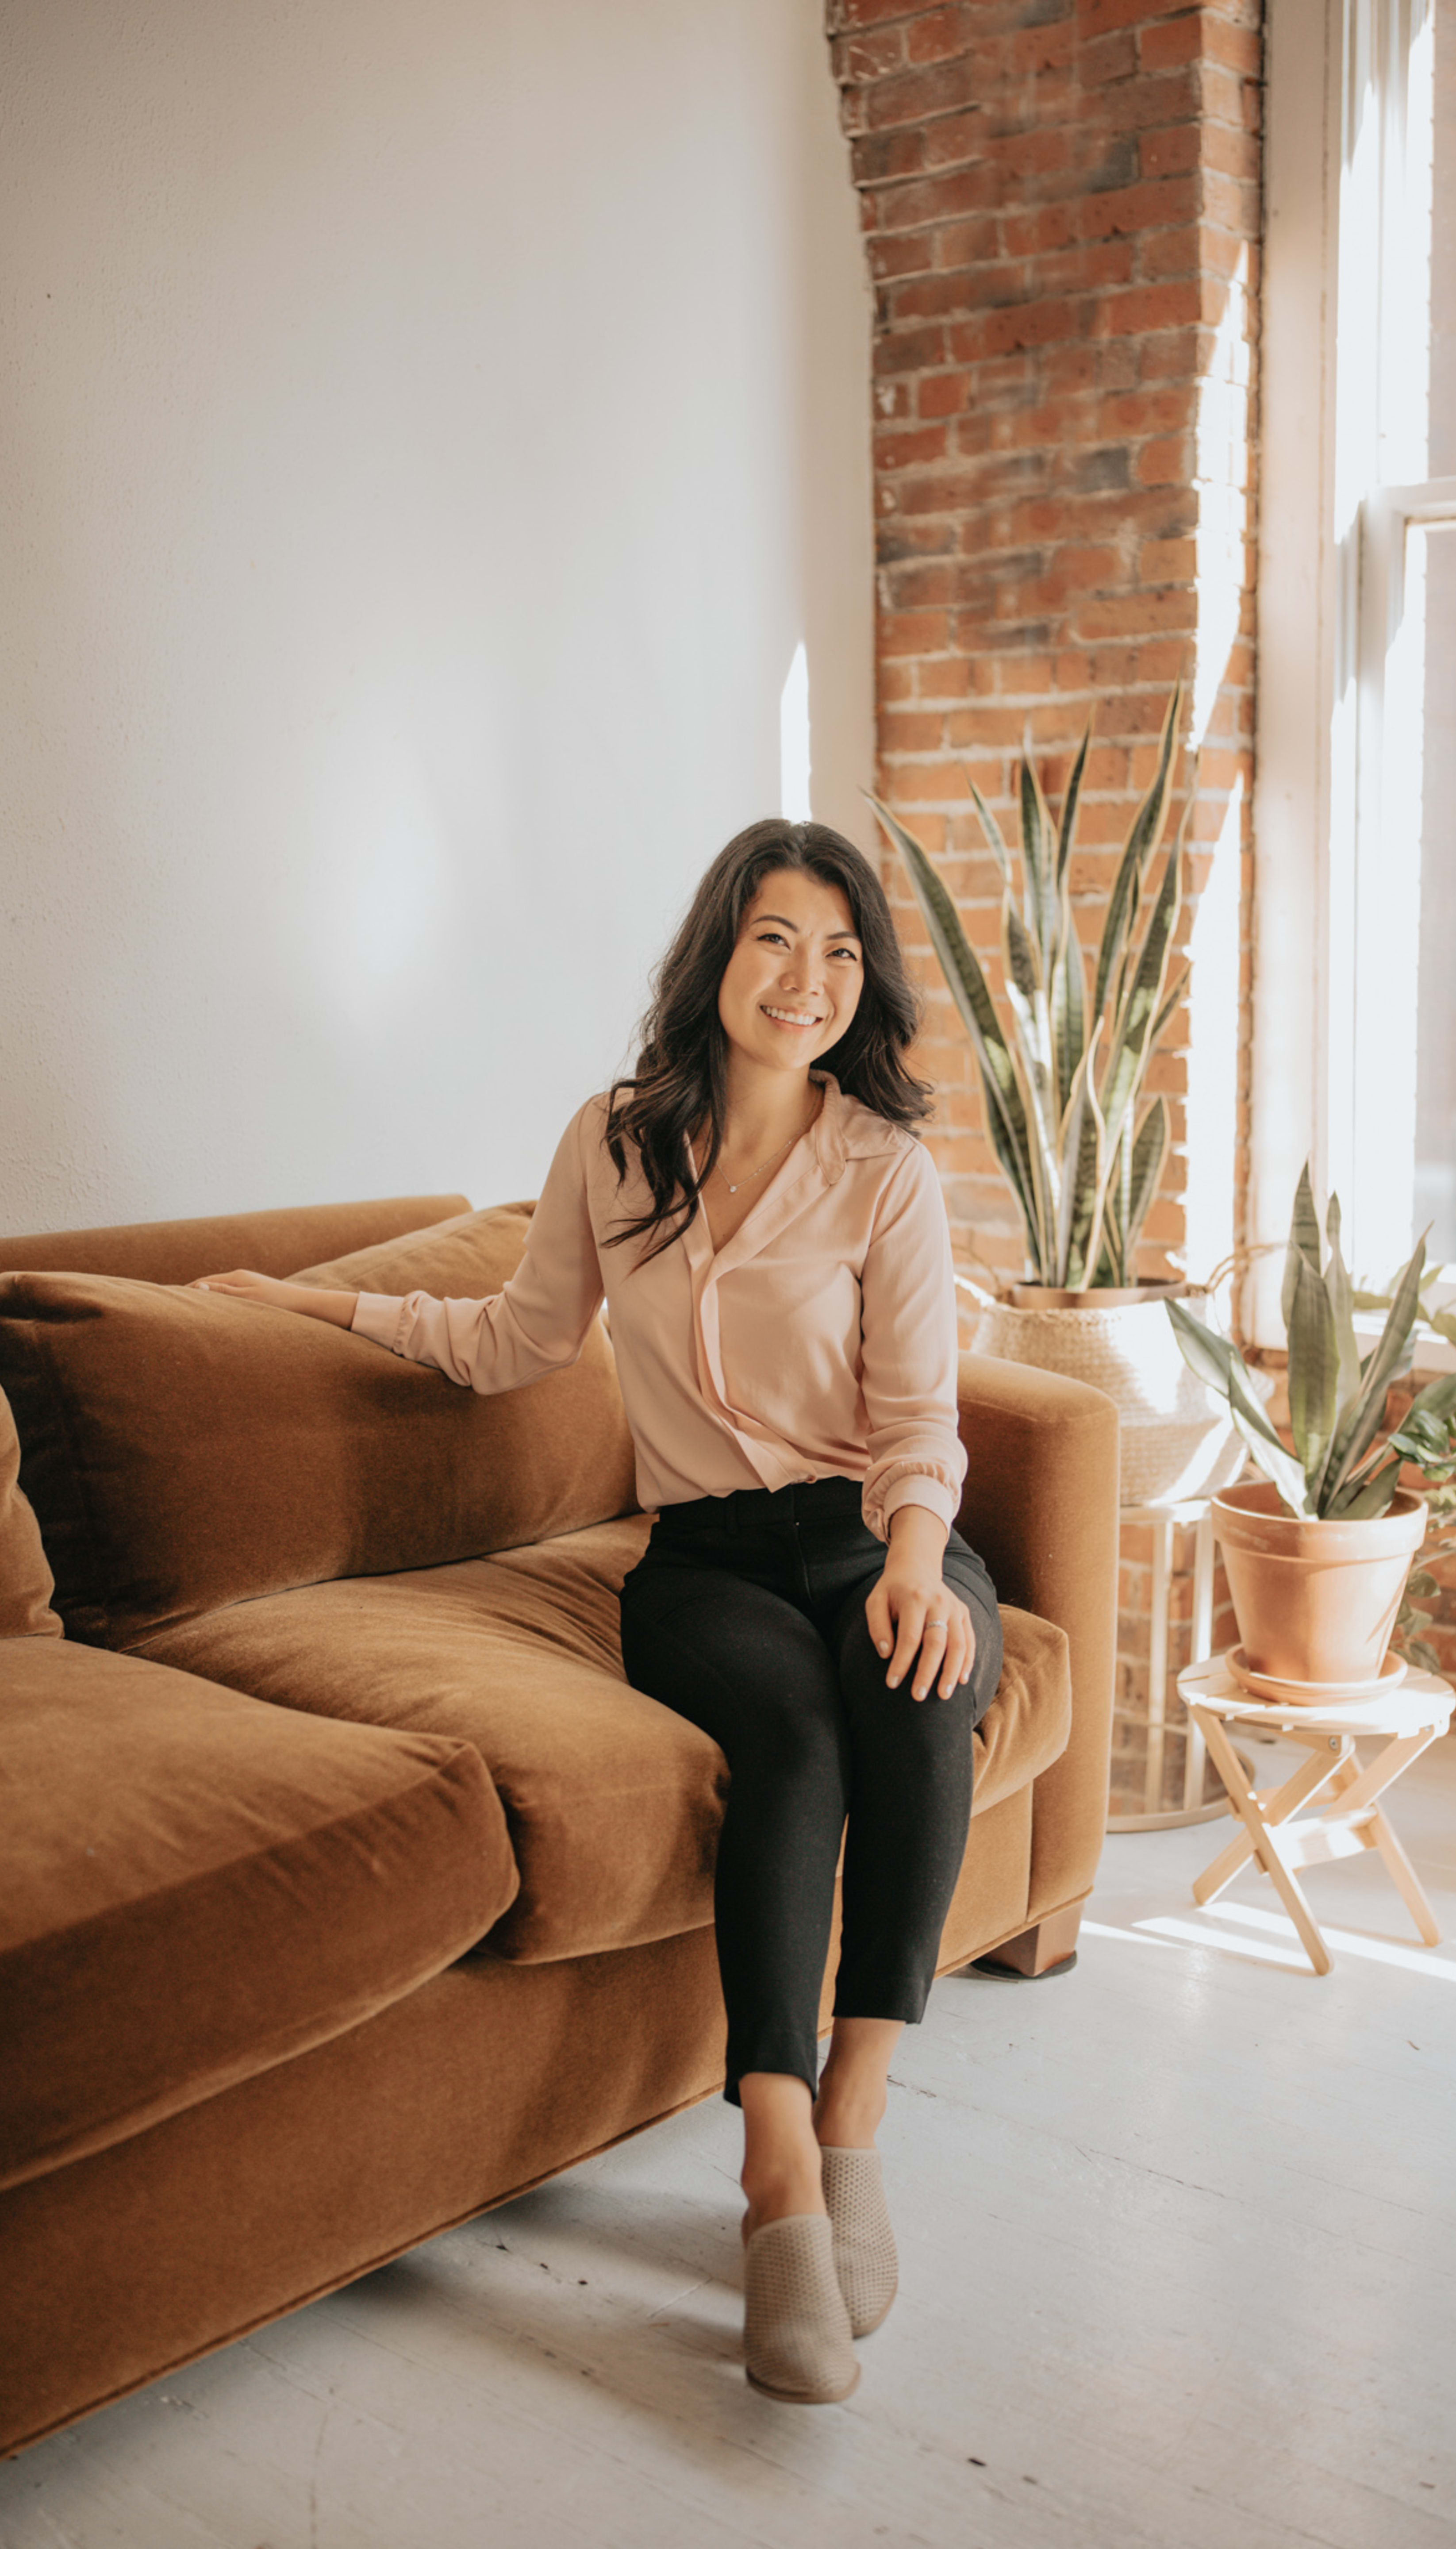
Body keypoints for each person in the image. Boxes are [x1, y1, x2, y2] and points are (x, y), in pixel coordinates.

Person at [196, 818, 1005, 2406]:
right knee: (787, 1732)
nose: (809, 980)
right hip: (705, 1560)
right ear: (720, 954)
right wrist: (310, 1301)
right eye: (779, 939)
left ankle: (853, 2120)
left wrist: (919, 1559)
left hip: (871, 1534)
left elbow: (920, 1417)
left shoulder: (885, 1170)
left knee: (917, 1688)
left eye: (842, 954)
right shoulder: (616, 1142)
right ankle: (774, 2178)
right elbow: (511, 1336)